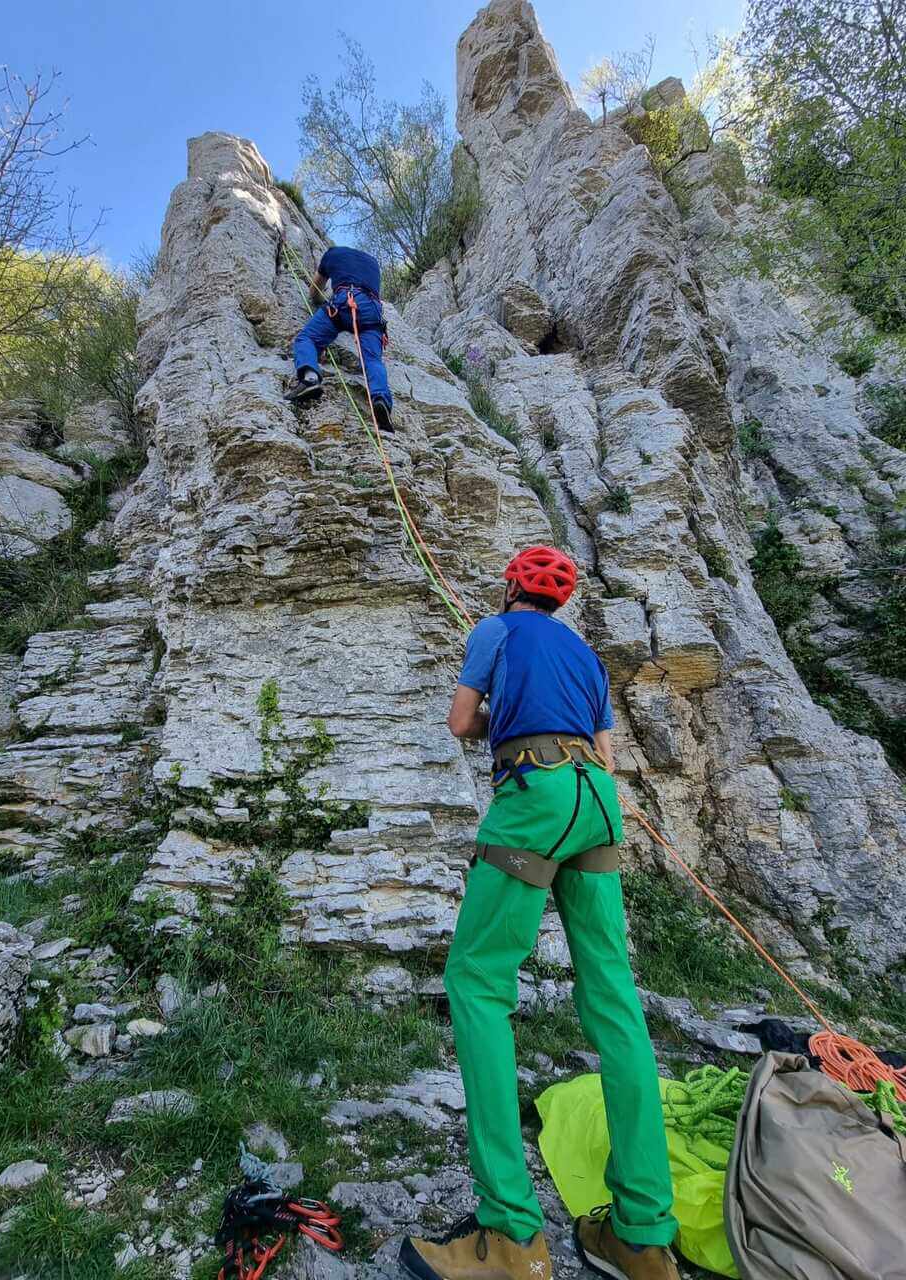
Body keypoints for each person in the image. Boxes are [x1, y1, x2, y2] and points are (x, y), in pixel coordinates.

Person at [399, 546, 680, 1280]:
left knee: (478, 983)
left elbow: (461, 721)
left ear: (510, 587)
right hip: (598, 803)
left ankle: (510, 1236)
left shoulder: (495, 631)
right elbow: (606, 754)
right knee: (614, 998)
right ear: (561, 601)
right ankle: (643, 1238)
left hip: (535, 796)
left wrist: (502, 710)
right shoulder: (587, 657)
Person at [285, 243, 394, 432]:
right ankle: (380, 400)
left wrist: (322, 303)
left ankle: (310, 378)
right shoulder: (373, 263)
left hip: (345, 301)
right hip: (373, 311)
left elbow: (315, 291)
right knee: (372, 360)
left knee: (307, 339)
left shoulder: (332, 254)